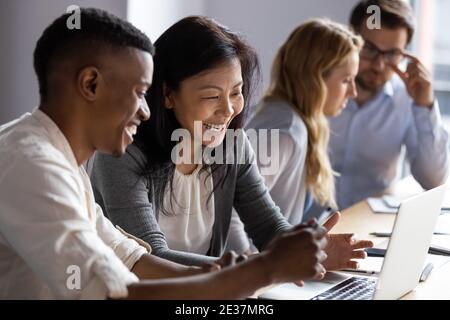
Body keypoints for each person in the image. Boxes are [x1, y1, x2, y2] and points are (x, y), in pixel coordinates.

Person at [0, 8, 329, 299]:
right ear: (91, 85)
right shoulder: (31, 164)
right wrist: (265, 269)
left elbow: (132, 259)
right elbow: (114, 293)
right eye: (140, 93)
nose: (146, 111)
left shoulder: (61, 159)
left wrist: (244, 271)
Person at [91, 16, 373, 270]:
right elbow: (150, 260)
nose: (228, 110)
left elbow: (268, 228)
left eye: (236, 92)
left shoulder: (231, 145)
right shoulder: (122, 153)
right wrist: (258, 267)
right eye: (212, 96)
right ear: (167, 94)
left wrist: (311, 249)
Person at [227, 19, 365, 255]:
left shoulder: (299, 121)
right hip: (260, 277)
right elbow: (230, 215)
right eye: (345, 80)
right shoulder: (284, 131)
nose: (353, 92)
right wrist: (251, 273)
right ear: (316, 77)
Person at [328, 0, 449, 209]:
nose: (379, 64)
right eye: (369, 49)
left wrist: (425, 105)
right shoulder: (316, 88)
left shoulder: (407, 99)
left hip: (369, 229)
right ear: (350, 38)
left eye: (392, 54)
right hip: (311, 228)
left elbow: (433, 180)